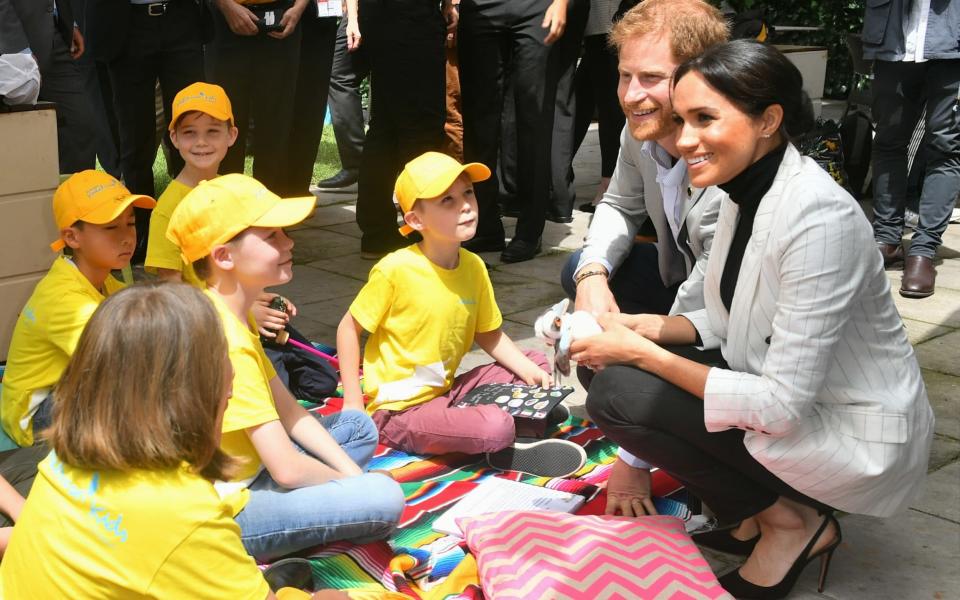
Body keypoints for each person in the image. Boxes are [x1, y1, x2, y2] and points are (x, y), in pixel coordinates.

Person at [575, 40, 934, 598]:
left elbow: (780, 405)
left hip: (851, 433)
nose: (685, 139)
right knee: (604, 367)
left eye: (703, 119)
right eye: (682, 119)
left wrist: (645, 354)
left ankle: (794, 523)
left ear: (769, 119)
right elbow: (724, 320)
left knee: (625, 389)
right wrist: (644, 329)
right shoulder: (744, 191)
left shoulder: (818, 218)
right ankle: (757, 510)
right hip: (791, 400)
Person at [0, 283, 345, 599]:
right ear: (186, 393)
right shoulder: (188, 513)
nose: (234, 371)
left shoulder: (59, 461)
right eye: (220, 354)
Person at [166, 173, 404, 561]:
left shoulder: (230, 314)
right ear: (223, 256)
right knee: (385, 497)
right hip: (226, 511)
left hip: (254, 469)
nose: (289, 242)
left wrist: (351, 480)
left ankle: (319, 512)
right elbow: (287, 470)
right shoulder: (223, 338)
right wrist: (356, 486)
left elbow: (290, 411)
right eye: (272, 236)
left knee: (357, 426)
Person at [336, 152, 587, 477]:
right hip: (400, 411)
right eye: (447, 201)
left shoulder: (474, 266)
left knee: (534, 364)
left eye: (468, 193)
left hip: (450, 390)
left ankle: (518, 429)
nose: (466, 205)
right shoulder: (395, 270)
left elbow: (488, 333)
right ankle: (511, 432)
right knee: (494, 426)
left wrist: (527, 370)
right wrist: (354, 404)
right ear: (415, 220)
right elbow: (347, 329)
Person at [561, 0, 727, 316]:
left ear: (703, 75)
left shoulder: (729, 154)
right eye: (625, 75)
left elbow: (714, 299)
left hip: (730, 308)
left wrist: (633, 338)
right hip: (683, 273)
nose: (631, 95)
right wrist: (592, 274)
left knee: (610, 359)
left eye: (651, 77)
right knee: (579, 269)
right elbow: (620, 203)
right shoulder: (639, 131)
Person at [0, 170, 155, 447]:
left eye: (130, 223)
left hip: (70, 385)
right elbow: (124, 359)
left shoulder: (100, 278)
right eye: (110, 227)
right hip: (37, 416)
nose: (127, 237)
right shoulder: (65, 300)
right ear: (72, 237)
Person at [457, 0, 572, 263]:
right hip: (480, 9)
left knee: (534, 118)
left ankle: (530, 231)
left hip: (536, 8)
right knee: (478, 121)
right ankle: (484, 225)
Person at [863, 0, 960, 298]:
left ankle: (923, 250)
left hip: (951, 41)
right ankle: (887, 240)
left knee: (946, 146)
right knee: (888, 141)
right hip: (893, 38)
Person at [353, 0, 447, 259]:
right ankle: (423, 230)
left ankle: (377, 231)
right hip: (410, 20)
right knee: (420, 132)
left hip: (386, 20)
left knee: (386, 127)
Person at [206, 0, 309, 194]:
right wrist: (226, 6)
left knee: (276, 124)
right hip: (226, 21)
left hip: (282, 18)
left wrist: (298, 8)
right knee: (224, 120)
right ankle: (225, 210)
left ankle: (270, 214)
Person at [145, 81, 238, 286]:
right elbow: (172, 290)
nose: (201, 142)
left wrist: (256, 298)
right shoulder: (167, 210)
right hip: (202, 315)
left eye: (212, 131)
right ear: (174, 138)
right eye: (190, 132)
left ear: (231, 135)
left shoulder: (234, 192)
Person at [0, 0, 96, 173]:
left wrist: (67, 21)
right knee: (15, 141)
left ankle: (71, 198)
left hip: (55, 38)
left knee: (81, 126)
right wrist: (20, 52)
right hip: (11, 51)